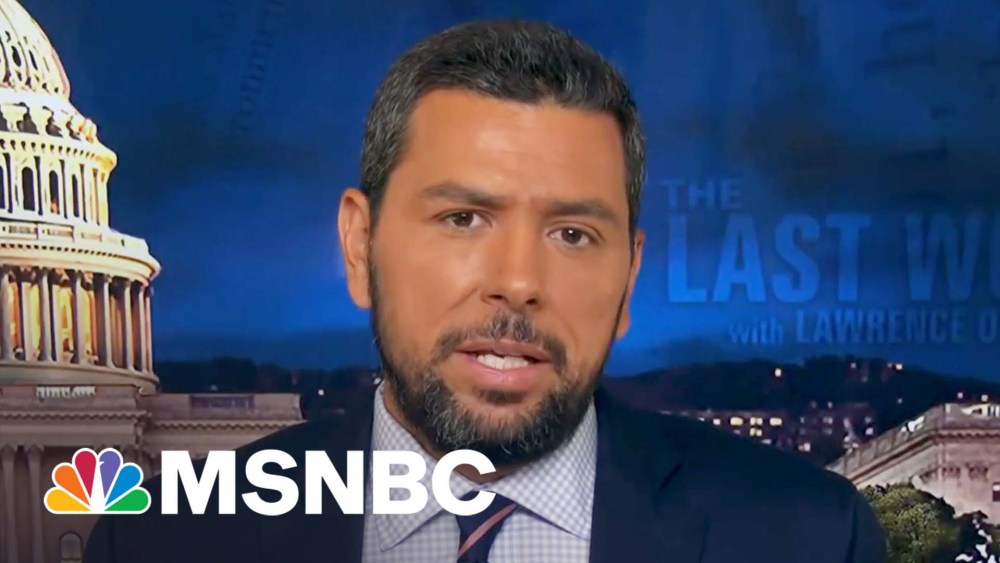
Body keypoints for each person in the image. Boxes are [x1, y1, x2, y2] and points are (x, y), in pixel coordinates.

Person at [85, 19, 886, 563]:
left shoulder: (808, 537)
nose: (518, 281)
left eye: (572, 233)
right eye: (463, 218)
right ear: (360, 246)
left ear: (629, 278)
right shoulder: (166, 540)